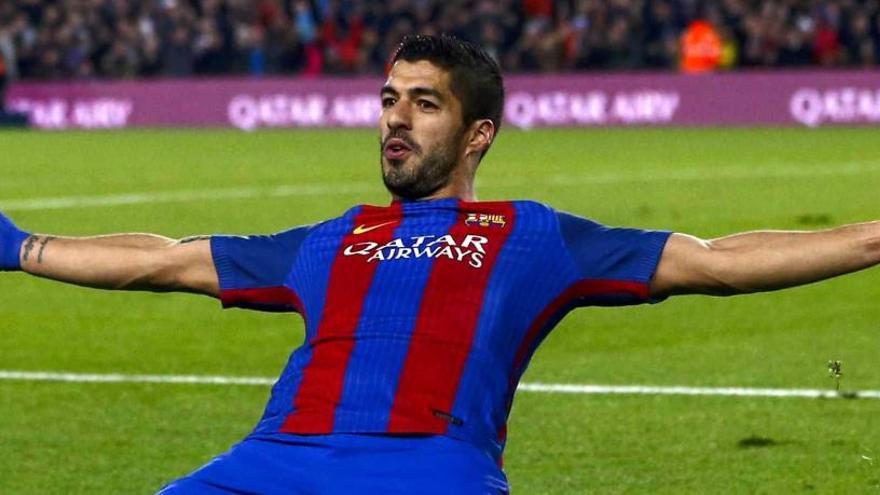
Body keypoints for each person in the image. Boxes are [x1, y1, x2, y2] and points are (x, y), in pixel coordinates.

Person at [1, 34, 879, 494]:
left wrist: (873, 238)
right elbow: (167, 261)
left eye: (424, 104)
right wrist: (21, 248)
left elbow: (718, 260)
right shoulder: (332, 239)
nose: (396, 119)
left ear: (476, 134)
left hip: (427, 468)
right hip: (273, 461)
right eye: (389, 99)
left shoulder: (534, 235)